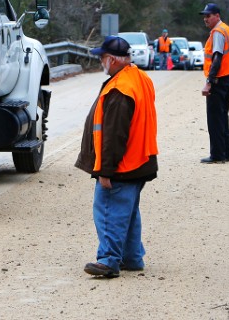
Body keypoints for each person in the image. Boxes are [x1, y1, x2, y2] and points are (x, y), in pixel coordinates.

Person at [76, 35, 158, 278]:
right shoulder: (139, 78)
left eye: (102, 57)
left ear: (112, 59)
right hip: (141, 159)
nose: (101, 61)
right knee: (128, 213)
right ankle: (132, 258)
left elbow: (113, 136)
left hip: (122, 165)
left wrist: (105, 171)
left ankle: (109, 260)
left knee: (108, 210)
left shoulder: (120, 89)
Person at [199, 3, 229, 164]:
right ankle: (226, 152)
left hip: (218, 79)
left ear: (217, 15)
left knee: (215, 118)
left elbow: (217, 58)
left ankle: (217, 155)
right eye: (204, 16)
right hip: (227, 78)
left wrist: (209, 82)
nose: (205, 19)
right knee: (223, 116)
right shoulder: (226, 29)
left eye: (208, 15)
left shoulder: (218, 32)